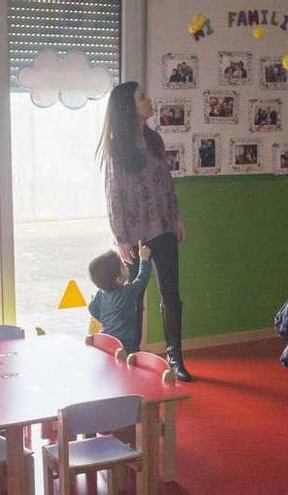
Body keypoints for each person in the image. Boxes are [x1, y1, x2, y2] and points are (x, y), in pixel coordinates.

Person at [97, 81, 192, 381]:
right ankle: (132, 352)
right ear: (128, 106)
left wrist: (175, 218)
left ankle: (175, 357)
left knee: (171, 295)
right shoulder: (116, 148)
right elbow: (113, 195)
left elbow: (166, 182)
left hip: (162, 227)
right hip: (134, 234)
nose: (148, 101)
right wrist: (120, 238)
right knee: (133, 298)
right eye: (141, 98)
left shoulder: (154, 140)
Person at [87, 242, 152, 354]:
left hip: (106, 339)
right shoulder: (127, 292)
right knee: (128, 363)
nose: (125, 265)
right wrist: (144, 259)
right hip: (125, 343)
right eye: (122, 265)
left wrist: (106, 319)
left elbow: (91, 308)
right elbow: (142, 281)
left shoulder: (101, 294)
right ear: (119, 279)